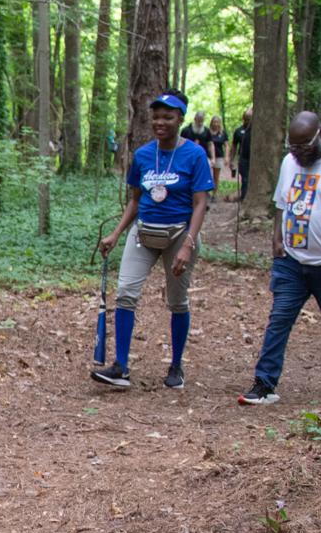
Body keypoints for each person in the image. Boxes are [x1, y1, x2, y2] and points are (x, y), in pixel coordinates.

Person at [237, 112, 321, 406]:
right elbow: (282, 205)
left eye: (304, 147)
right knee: (279, 320)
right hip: (292, 261)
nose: (298, 154)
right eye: (293, 148)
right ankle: (264, 383)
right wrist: (276, 238)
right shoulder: (289, 163)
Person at [93, 90, 216, 390]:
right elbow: (135, 200)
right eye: (157, 116)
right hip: (144, 232)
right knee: (125, 293)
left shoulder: (195, 155)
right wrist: (116, 233)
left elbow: (200, 203)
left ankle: (176, 366)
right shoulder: (144, 155)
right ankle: (120, 368)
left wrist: (188, 244)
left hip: (178, 235)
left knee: (177, 301)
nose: (161, 122)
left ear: (180, 119)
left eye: (168, 117)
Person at [231, 109, 253, 196]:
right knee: (245, 179)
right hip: (243, 159)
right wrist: (232, 160)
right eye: (246, 118)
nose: (248, 121)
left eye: (250, 118)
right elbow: (234, 146)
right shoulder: (238, 131)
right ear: (243, 118)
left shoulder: (256, 131)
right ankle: (244, 197)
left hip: (254, 159)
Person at [207, 115, 229, 185]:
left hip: (219, 156)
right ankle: (206, 192)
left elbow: (227, 146)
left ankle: (214, 194)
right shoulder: (207, 132)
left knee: (216, 177)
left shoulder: (223, 133)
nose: (215, 124)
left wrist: (226, 157)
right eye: (214, 122)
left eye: (217, 122)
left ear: (219, 123)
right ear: (211, 123)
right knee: (206, 175)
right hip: (208, 156)